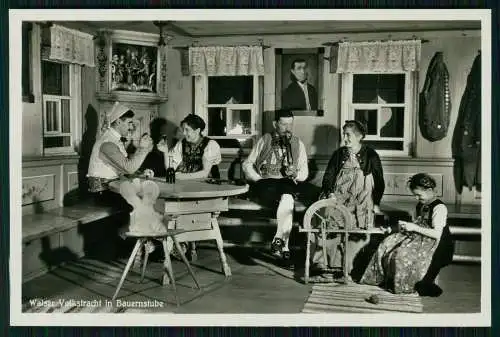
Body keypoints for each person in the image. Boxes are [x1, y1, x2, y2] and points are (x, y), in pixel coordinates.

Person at [310, 120, 385, 280]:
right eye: (344, 134)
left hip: (361, 198)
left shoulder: (371, 155)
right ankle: (325, 265)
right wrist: (329, 193)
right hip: (338, 195)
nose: (345, 138)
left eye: (348, 134)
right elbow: (329, 175)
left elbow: (379, 181)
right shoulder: (339, 154)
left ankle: (346, 268)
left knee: (355, 229)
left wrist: (376, 203)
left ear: (360, 136)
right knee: (330, 222)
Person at [360, 173, 455, 296]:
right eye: (415, 195)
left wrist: (414, 227)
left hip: (437, 243)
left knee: (401, 254)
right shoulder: (421, 204)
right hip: (419, 237)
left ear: (430, 190)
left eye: (418, 195)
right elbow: (416, 223)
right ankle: (386, 279)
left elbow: (437, 234)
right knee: (387, 244)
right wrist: (393, 228)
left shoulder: (439, 208)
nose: (416, 198)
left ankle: (404, 283)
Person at [242, 110, 309, 261]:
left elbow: (304, 173)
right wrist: (258, 179)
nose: (287, 128)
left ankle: (279, 242)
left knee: (287, 198)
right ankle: (284, 246)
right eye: (283, 124)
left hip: (286, 184)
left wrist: (295, 175)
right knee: (288, 199)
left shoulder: (298, 143)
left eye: (290, 124)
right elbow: (247, 164)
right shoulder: (264, 139)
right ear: (275, 124)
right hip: (266, 183)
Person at [87, 101, 153, 208]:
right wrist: (143, 148)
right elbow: (128, 168)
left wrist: (140, 174)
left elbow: (123, 167)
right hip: (102, 195)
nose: (131, 127)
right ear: (118, 122)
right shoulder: (107, 143)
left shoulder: (114, 140)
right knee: (142, 205)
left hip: (110, 190)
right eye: (129, 123)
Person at [157, 114, 221, 180]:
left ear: (197, 130)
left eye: (187, 130)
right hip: (188, 184)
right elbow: (171, 168)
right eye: (183, 129)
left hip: (209, 186)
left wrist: (178, 176)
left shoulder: (211, 145)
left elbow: (204, 174)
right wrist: (165, 152)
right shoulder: (181, 143)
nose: (184, 133)